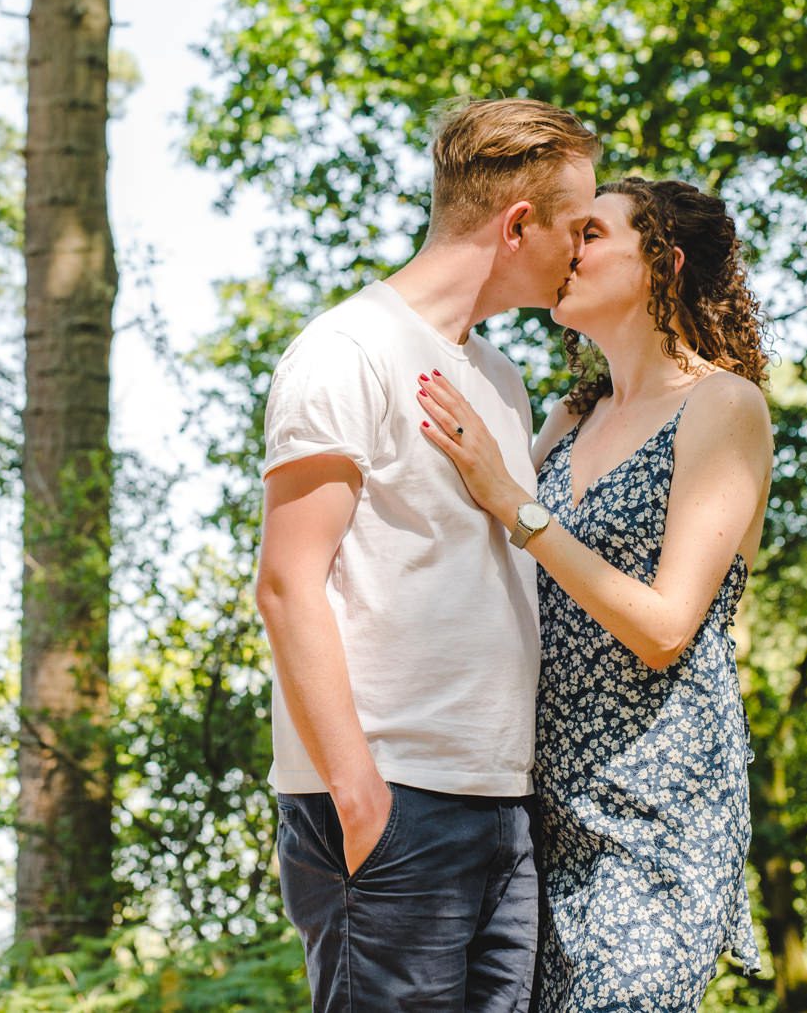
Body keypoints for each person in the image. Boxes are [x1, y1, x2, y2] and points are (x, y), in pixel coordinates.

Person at [255, 96, 600, 1012]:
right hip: (392, 798)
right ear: (520, 224)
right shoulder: (346, 351)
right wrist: (359, 795)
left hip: (501, 802)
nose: (585, 247)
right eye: (577, 225)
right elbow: (289, 585)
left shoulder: (500, 378)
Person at [419, 176, 771, 1012]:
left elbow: (666, 628)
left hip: (659, 814)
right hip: (537, 809)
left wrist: (515, 502)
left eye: (594, 235)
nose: (569, 252)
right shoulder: (571, 417)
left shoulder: (723, 406)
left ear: (664, 263)